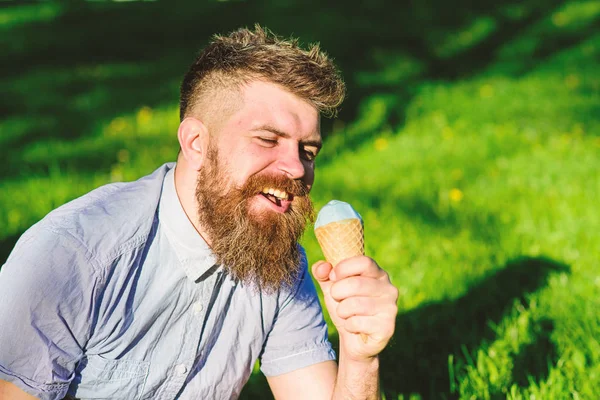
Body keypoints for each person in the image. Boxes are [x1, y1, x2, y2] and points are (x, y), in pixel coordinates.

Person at [0, 25, 398, 400]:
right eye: (267, 139)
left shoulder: (280, 265)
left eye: (307, 151)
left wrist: (361, 354)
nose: (296, 168)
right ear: (195, 142)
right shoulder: (73, 257)